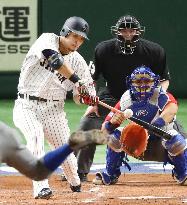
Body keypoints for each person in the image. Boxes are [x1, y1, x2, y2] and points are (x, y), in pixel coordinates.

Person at [75, 14, 175, 182]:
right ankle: (78, 172)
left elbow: (164, 80)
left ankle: (182, 167)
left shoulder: (155, 51)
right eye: (124, 31)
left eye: (131, 31)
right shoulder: (103, 49)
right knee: (87, 123)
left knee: (175, 132)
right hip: (113, 98)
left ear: (138, 32)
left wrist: (159, 102)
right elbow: (91, 79)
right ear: (117, 32)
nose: (128, 35)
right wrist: (91, 101)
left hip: (145, 99)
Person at [13, 16, 97, 199]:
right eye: (75, 36)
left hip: (54, 111)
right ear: (65, 32)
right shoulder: (47, 39)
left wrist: (86, 97)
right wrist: (77, 81)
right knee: (35, 136)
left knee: (66, 154)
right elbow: (55, 60)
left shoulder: (79, 62)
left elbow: (79, 99)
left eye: (82, 39)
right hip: (26, 105)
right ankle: (41, 187)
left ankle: (75, 184)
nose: (77, 41)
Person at [92, 66, 187, 186]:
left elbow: (172, 109)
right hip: (137, 147)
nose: (142, 85)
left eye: (147, 81)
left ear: (155, 82)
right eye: (138, 81)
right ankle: (111, 174)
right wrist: (111, 124)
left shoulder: (161, 95)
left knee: (176, 140)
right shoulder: (126, 99)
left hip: (162, 147)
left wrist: (156, 125)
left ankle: (182, 173)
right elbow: (104, 131)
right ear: (130, 83)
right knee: (113, 137)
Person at [0, 120, 107, 199]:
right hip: (3, 133)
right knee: (37, 171)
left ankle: (70, 146)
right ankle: (70, 146)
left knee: (38, 171)